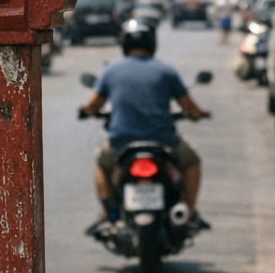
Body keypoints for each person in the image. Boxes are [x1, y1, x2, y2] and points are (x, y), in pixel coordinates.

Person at [81, 20, 209, 229]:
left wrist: (85, 112)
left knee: (102, 165)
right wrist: (199, 114)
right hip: (163, 142)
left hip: (121, 143)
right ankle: (190, 211)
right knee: (192, 162)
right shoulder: (166, 70)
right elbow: (189, 106)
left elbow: (94, 104)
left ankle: (108, 210)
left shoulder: (112, 70)